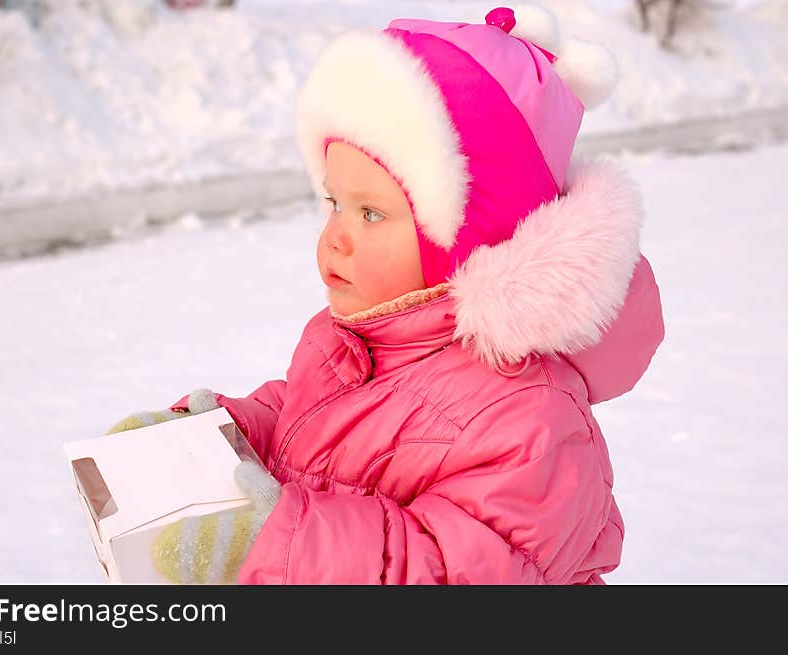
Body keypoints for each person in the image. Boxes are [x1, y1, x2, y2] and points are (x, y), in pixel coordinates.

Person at [107, 5, 665, 585]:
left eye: (372, 213)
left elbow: (452, 572)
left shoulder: (530, 417)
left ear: (466, 240)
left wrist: (277, 545)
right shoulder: (355, 337)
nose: (336, 238)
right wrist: (218, 436)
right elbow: (314, 425)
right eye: (334, 203)